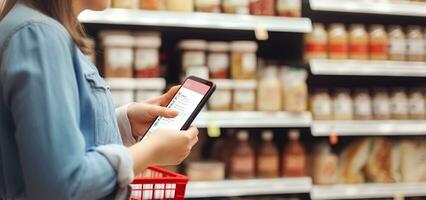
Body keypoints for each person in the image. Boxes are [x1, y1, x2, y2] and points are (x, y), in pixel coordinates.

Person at [0, 0, 199, 199]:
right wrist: (152, 149)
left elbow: (42, 141)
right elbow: (62, 185)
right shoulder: (40, 37)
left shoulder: (39, 28)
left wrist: (122, 123)